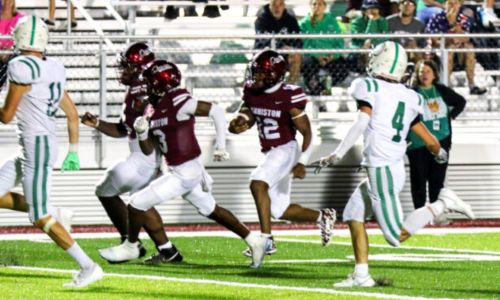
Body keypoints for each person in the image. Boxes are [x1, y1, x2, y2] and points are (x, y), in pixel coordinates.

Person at [315, 41, 475, 287]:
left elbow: (360, 123)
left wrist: (335, 155)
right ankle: (361, 275)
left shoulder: (367, 86)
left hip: (383, 169)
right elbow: (415, 126)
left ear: (381, 60)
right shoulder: (408, 95)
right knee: (353, 214)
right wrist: (436, 148)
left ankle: (442, 204)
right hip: (386, 167)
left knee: (394, 236)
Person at [99, 60, 257, 264]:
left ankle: (130, 246)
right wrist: (142, 133)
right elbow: (149, 149)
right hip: (179, 170)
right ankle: (255, 241)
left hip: (184, 173)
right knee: (210, 209)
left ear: (159, 83)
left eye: (150, 83)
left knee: (137, 203)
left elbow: (216, 111)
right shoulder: (154, 107)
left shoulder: (178, 99)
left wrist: (220, 146)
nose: (146, 87)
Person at [0, 16, 102, 287]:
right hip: (37, 145)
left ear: (19, 38)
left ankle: (88, 266)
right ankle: (57, 210)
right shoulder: (53, 68)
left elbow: (6, 116)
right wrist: (74, 151)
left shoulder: (20, 66)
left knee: (38, 216)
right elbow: (71, 113)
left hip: (37, 146)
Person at [228, 49, 336, 269]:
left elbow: (307, 133)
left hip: (286, 148)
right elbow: (248, 111)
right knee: (279, 210)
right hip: (270, 151)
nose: (254, 77)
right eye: (255, 72)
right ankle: (322, 216)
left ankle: (266, 240)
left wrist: (302, 161)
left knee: (257, 183)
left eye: (260, 73)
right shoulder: (251, 89)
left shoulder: (289, 95)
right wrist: (240, 121)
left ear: (273, 76)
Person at [81, 42, 182, 265]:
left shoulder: (148, 88)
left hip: (145, 155)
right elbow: (123, 129)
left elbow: (155, 124)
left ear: (141, 66)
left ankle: (130, 243)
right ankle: (168, 251)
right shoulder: (140, 87)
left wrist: (158, 154)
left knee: (106, 190)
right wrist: (97, 123)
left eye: (128, 67)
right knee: (140, 202)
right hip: (144, 154)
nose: (123, 71)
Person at [407, 60, 465, 210]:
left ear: (434, 75)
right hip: (418, 144)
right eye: (422, 72)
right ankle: (419, 214)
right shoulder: (412, 93)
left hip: (442, 142)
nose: (425, 74)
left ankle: (436, 213)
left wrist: (451, 116)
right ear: (417, 75)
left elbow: (461, 101)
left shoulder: (441, 90)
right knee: (418, 181)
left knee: (437, 181)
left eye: (428, 71)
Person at [425, 0, 487, 95]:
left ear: (459, 5)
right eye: (450, 3)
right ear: (445, 4)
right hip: (440, 51)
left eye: (455, 3)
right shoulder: (437, 17)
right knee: (449, 49)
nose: (453, 6)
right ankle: (446, 85)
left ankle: (472, 85)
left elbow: (466, 38)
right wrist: (450, 39)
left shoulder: (463, 18)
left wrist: (453, 24)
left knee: (469, 48)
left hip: (459, 52)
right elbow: (433, 39)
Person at [299, 0, 348, 109]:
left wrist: (332, 56)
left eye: (320, 4)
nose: (317, 6)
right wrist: (318, 56)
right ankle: (318, 102)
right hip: (313, 57)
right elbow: (305, 44)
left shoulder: (332, 21)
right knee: (308, 65)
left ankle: (321, 88)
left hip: (331, 56)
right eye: (314, 4)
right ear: (310, 6)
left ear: (325, 6)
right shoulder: (304, 23)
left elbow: (339, 42)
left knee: (344, 68)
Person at [254, 0, 302, 84]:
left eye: (280, 4)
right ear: (269, 6)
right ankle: (265, 89)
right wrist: (281, 46)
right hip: (266, 52)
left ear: (284, 6)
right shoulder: (261, 20)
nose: (277, 8)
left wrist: (291, 48)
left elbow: (298, 41)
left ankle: (290, 87)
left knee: (296, 55)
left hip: (285, 54)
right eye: (274, 5)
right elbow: (263, 41)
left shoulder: (291, 20)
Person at [0, 0, 25, 89]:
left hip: (13, 55)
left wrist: (9, 51)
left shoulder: (21, 18)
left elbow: (23, 39)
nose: (7, 2)